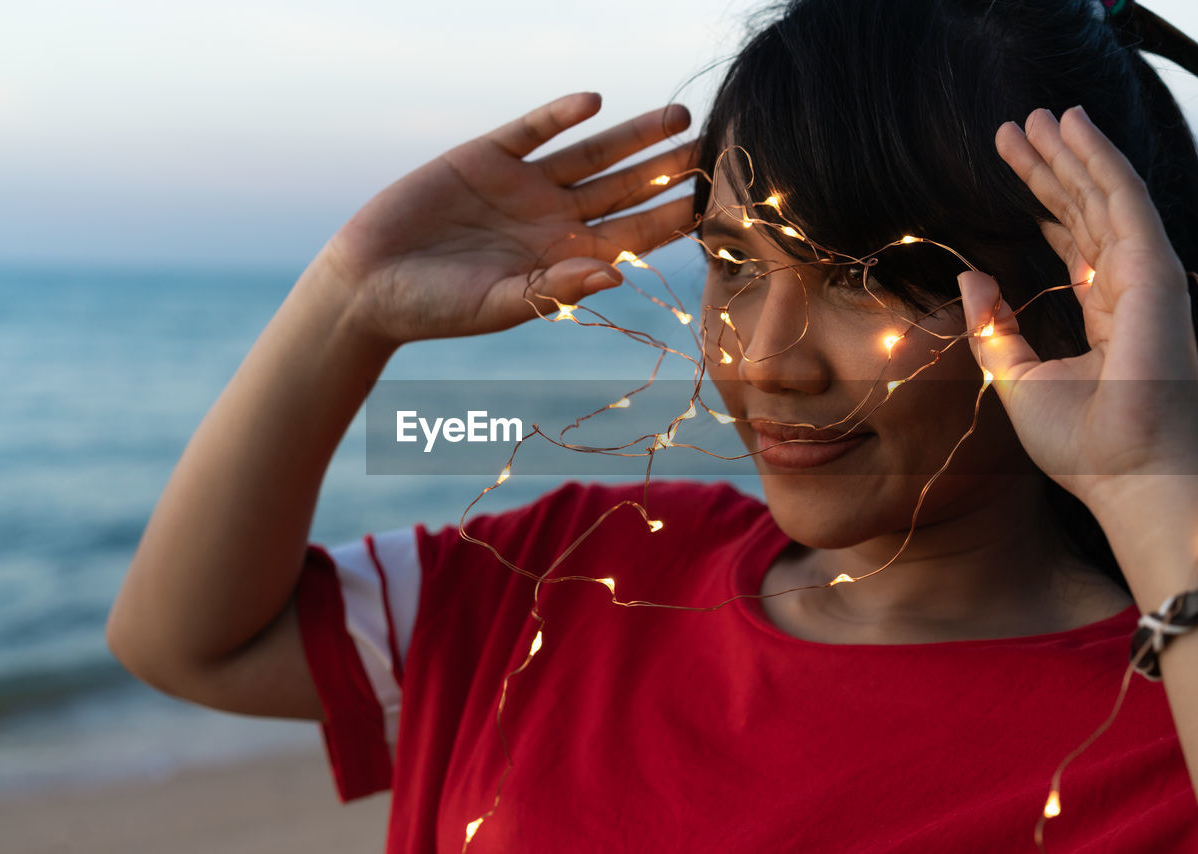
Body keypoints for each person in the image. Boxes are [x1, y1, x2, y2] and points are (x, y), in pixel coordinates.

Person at [106, 0, 1198, 850]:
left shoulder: (1162, 727)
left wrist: (1146, 470)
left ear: (1090, 294)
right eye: (731, 262)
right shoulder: (572, 574)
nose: (764, 354)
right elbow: (189, 641)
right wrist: (342, 304)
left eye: (878, 276)